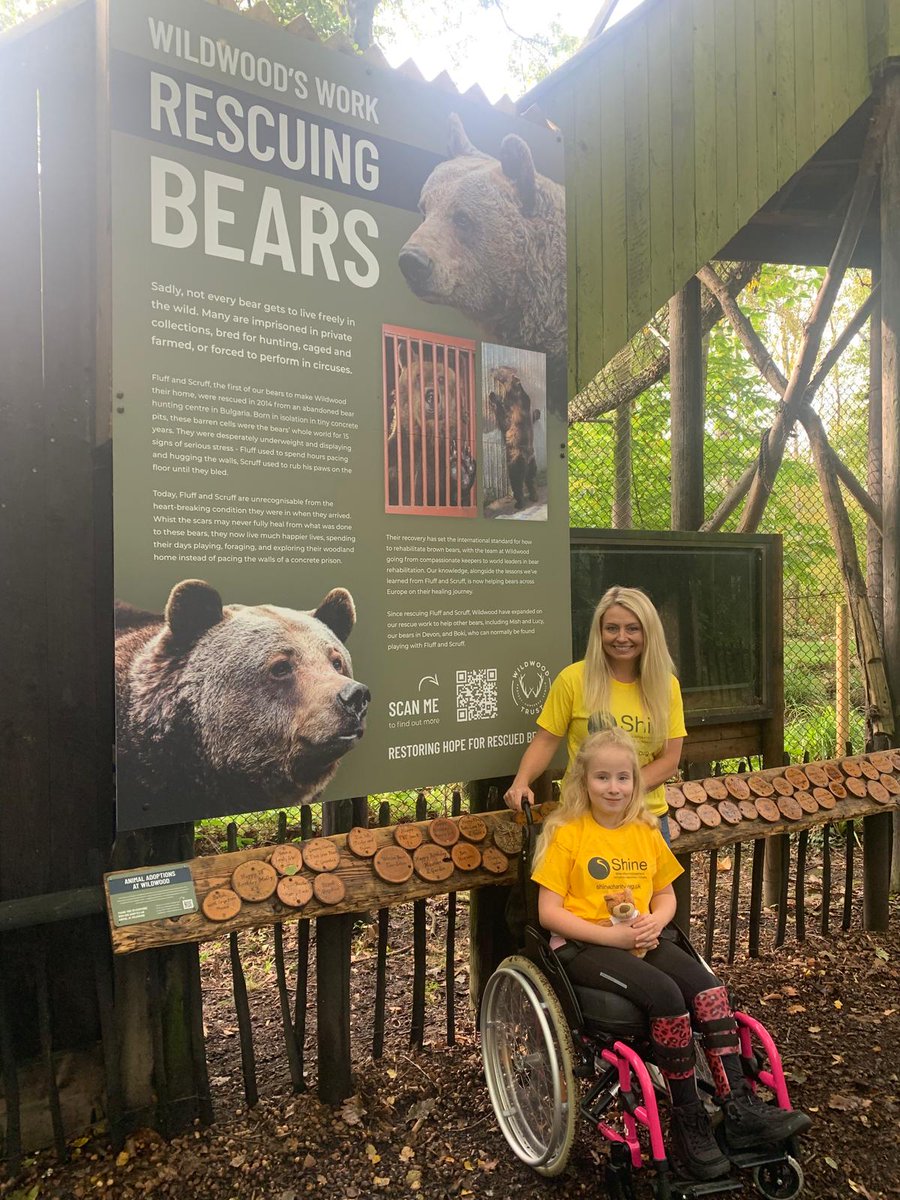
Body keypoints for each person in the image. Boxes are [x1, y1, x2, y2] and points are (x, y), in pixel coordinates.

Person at [531, 728, 810, 1181]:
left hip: (642, 936)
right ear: (584, 782)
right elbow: (549, 914)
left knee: (708, 988)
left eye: (623, 777)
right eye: (602, 777)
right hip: (583, 946)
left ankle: (738, 1108)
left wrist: (657, 921)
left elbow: (665, 896)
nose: (614, 787)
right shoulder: (567, 833)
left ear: (636, 783)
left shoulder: (644, 831)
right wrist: (613, 939)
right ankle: (689, 1123)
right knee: (665, 996)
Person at [505, 586, 684, 839]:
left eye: (632, 628)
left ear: (648, 632)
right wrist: (521, 780)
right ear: (599, 632)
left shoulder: (666, 687)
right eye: (612, 628)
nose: (621, 637)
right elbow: (545, 741)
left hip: (645, 821)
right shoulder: (573, 679)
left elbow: (669, 761)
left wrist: (618, 792)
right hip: (581, 818)